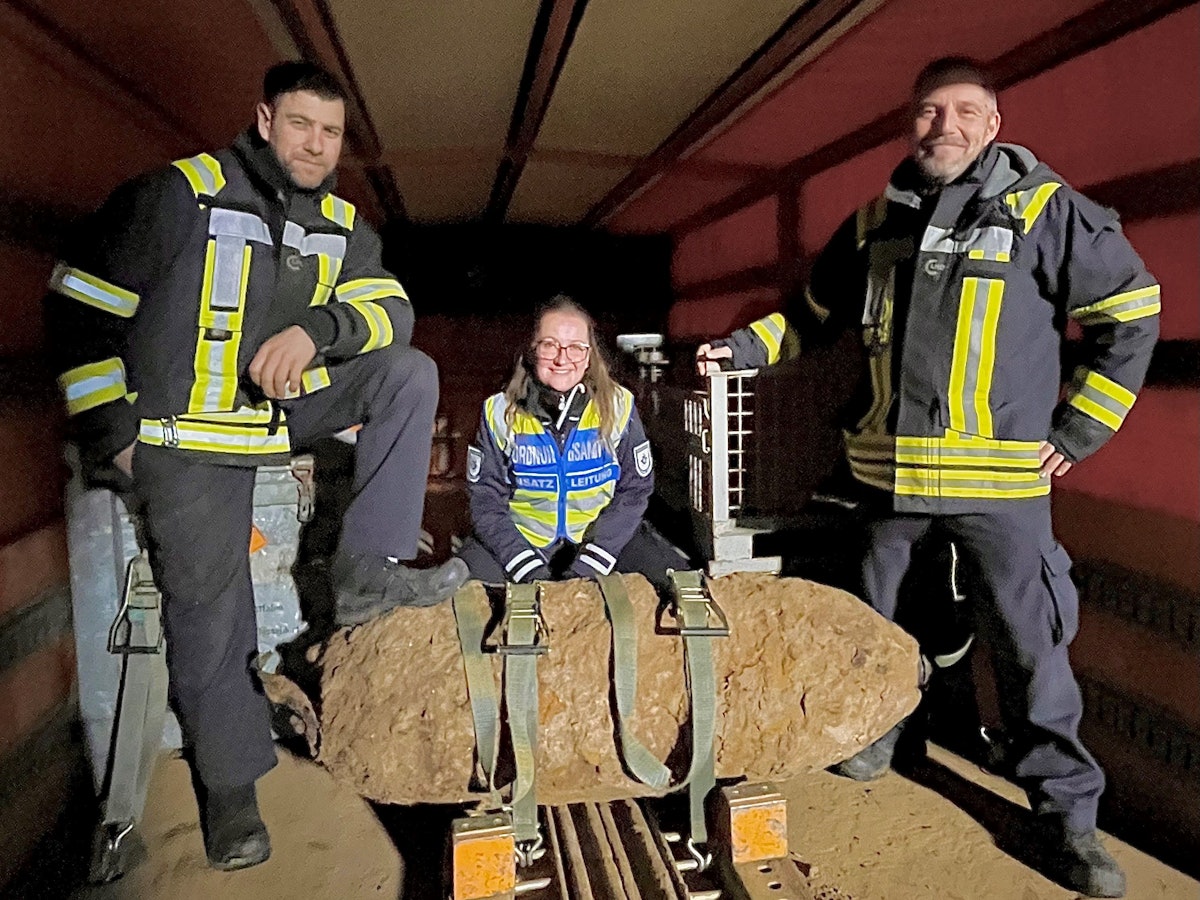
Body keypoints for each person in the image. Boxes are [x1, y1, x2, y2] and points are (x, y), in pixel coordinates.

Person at [695, 57, 1158, 898]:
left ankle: (1067, 824)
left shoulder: (1043, 211)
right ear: (910, 125)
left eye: (964, 111)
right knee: (878, 631)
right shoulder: (877, 220)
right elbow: (810, 316)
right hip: (888, 484)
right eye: (927, 112)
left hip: (1001, 491)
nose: (943, 126)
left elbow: (1130, 310)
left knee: (1030, 653)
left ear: (993, 124)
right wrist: (744, 349)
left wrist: (1082, 426)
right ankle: (883, 735)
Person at [45, 61, 468, 870]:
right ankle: (233, 794)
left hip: (274, 419)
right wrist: (116, 435)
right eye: (302, 124)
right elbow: (76, 304)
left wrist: (320, 328)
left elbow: (394, 309)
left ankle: (366, 570)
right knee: (211, 616)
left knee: (407, 371)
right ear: (265, 119)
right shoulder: (176, 196)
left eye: (332, 132)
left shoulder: (341, 222)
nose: (316, 144)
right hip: (180, 440)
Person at [458, 296, 688, 590]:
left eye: (576, 348)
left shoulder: (618, 405)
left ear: (589, 355)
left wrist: (593, 561)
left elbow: (635, 490)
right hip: (522, 543)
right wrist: (526, 566)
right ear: (531, 350)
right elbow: (485, 500)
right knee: (457, 593)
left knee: (685, 586)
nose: (562, 359)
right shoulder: (499, 412)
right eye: (550, 345)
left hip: (601, 543)